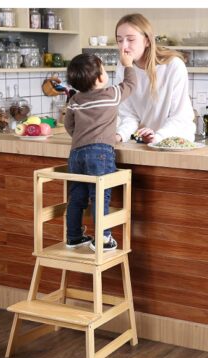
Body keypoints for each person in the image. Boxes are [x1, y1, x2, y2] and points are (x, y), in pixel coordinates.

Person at [64, 50, 136, 251]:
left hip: (76, 153)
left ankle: (74, 236)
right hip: (101, 153)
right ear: (100, 77)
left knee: (76, 196)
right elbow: (131, 85)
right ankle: (102, 238)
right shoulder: (111, 94)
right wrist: (127, 64)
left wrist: (81, 138)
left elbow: (69, 125)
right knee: (99, 196)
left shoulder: (75, 100)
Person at [114, 13, 196, 144]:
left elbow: (180, 116)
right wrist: (120, 135)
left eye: (130, 39)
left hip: (175, 141)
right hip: (146, 141)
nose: (124, 46)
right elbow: (128, 114)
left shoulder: (173, 66)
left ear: (147, 40)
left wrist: (157, 136)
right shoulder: (123, 67)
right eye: (119, 40)